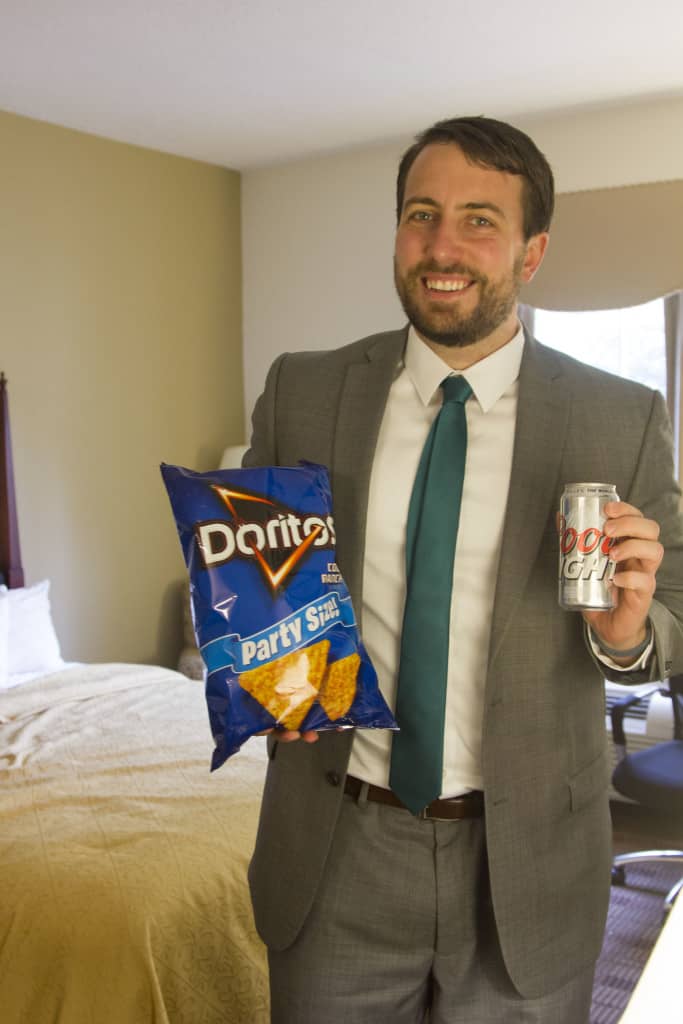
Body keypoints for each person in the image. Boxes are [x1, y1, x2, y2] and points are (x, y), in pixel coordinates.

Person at [244, 115, 683, 1023]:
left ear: (531, 253)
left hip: (526, 861)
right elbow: (259, 587)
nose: (441, 245)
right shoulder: (303, 390)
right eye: (420, 214)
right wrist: (260, 655)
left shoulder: (619, 417)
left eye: (480, 219)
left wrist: (628, 633)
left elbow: (672, 612)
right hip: (335, 849)